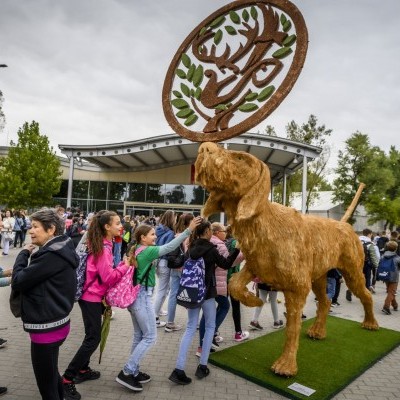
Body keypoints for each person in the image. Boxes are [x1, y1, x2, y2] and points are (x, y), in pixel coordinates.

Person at [115, 216, 201, 392]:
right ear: (142, 238)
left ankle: (134, 370)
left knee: (140, 336)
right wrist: (188, 230)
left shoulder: (138, 249)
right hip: (141, 298)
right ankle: (127, 371)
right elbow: (170, 247)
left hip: (136, 298)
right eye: (152, 234)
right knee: (150, 337)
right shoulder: (148, 251)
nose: (155, 237)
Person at [11, 208, 79, 400]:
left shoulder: (50, 255)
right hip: (57, 324)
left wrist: (23, 254)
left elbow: (19, 281)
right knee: (51, 376)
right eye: (30, 226)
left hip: (46, 329)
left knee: (46, 386)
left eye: (35, 227)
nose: (30, 231)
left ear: (51, 230)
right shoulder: (62, 247)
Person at [63, 210, 130, 400]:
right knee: (93, 338)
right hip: (91, 297)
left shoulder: (104, 243)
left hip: (93, 296)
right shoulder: (103, 247)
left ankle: (82, 370)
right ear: (107, 227)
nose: (120, 226)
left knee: (91, 335)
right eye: (117, 223)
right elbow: (108, 277)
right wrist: (124, 266)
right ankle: (67, 378)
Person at [169, 220, 240, 385]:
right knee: (209, 327)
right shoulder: (210, 249)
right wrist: (237, 249)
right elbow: (226, 264)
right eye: (210, 230)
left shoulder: (191, 247)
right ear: (207, 231)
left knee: (190, 328)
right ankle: (202, 366)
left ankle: (179, 369)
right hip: (208, 294)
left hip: (193, 294)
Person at [165, 213, 194, 333]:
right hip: (185, 268)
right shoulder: (188, 236)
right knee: (191, 294)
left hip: (174, 267)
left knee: (173, 295)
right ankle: (193, 322)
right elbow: (190, 254)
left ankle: (170, 322)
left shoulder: (175, 234)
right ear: (189, 223)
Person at [154, 210, 176, 327]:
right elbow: (168, 249)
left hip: (158, 262)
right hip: (165, 262)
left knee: (163, 289)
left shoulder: (159, 230)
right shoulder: (171, 233)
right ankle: (154, 317)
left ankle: (159, 310)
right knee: (162, 290)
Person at [381, 240, 400, 315]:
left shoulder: (383, 256)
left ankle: (395, 305)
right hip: (394, 277)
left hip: (385, 275)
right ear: (396, 248)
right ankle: (386, 307)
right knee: (391, 292)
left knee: (390, 291)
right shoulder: (397, 257)